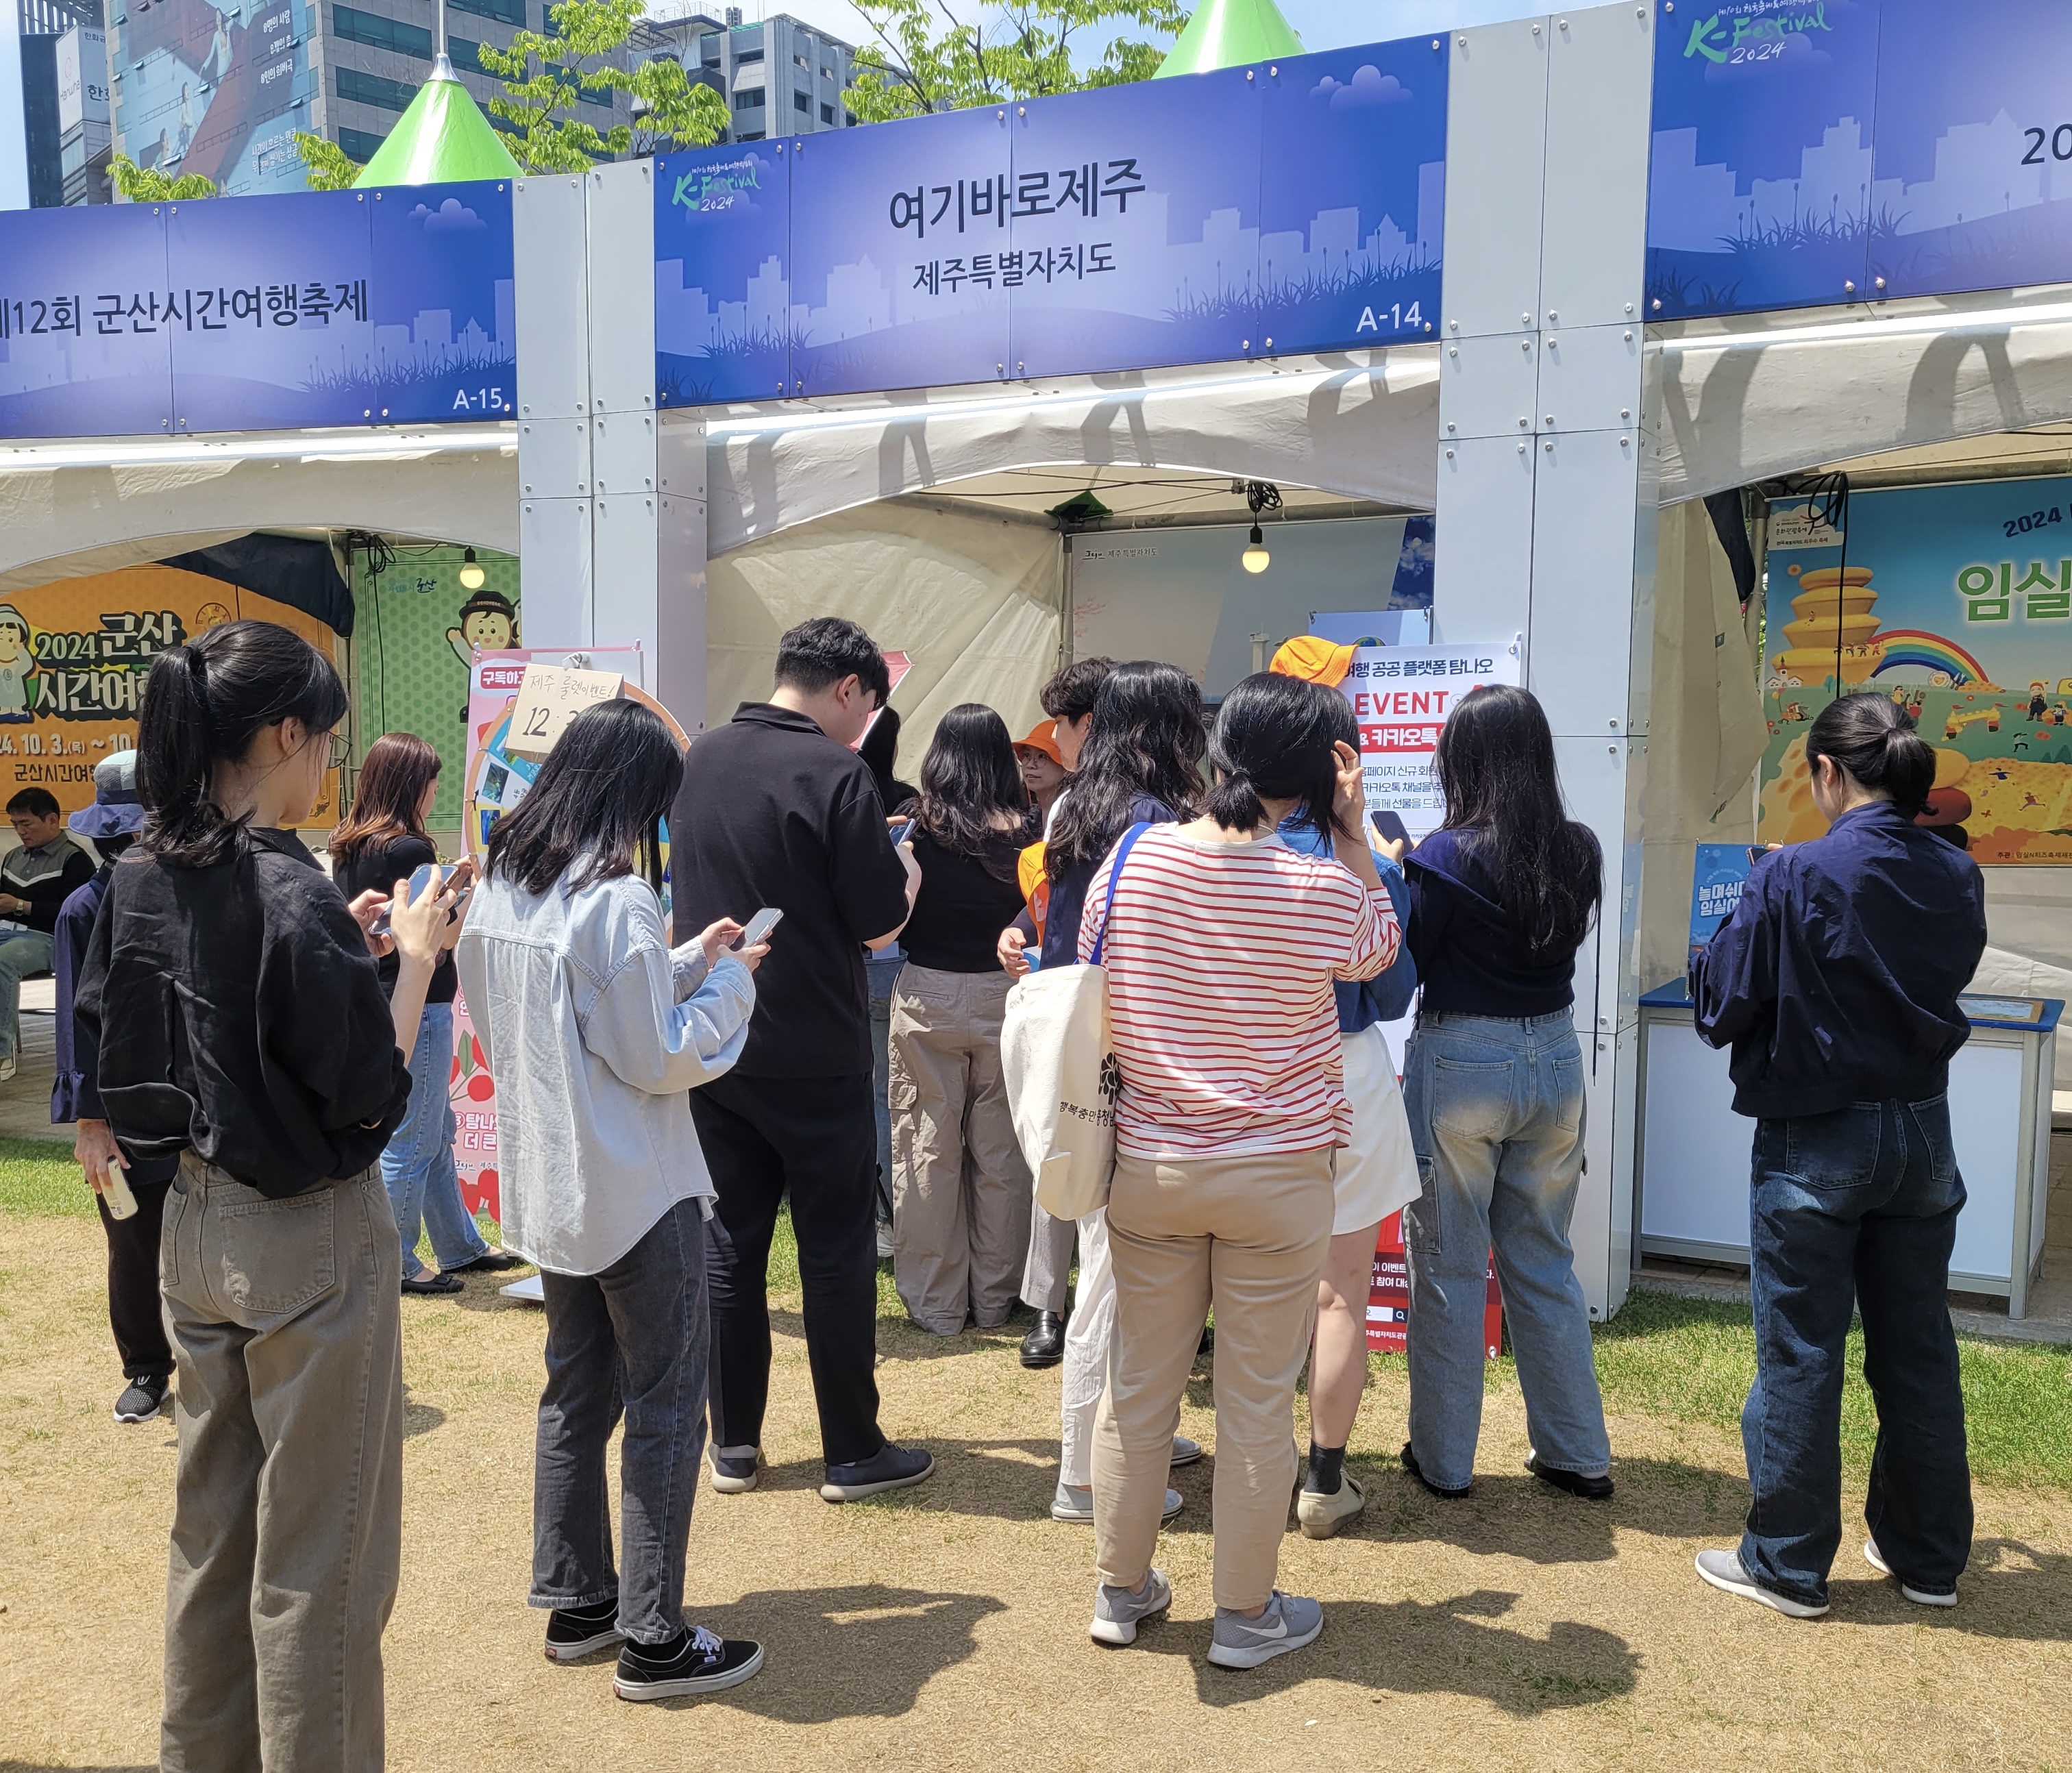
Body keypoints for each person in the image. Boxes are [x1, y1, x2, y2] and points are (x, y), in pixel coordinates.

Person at [75, 619, 454, 1772]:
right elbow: (369, 1097)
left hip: (188, 1220)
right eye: (319, 741)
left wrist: (347, 950)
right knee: (319, 1564)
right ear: (284, 733)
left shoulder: (138, 869)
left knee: (212, 1541)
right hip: (308, 1235)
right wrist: (420, 957)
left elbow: (147, 1031)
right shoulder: (287, 892)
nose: (324, 766)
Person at [1083, 671, 1400, 1668]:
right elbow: (1380, 952)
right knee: (1259, 1399)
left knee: (1141, 1388)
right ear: (1313, 779)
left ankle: (1121, 1592)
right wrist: (1351, 829)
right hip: (1278, 1172)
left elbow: (1092, 961)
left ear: (1217, 755)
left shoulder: (1133, 860)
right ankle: (1244, 1615)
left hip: (1153, 1166)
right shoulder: (1318, 885)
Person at [456, 697, 769, 1700]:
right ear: (636, 796)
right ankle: (656, 1635)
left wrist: (692, 960)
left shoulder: (507, 883)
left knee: (575, 1391)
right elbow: (655, 1052)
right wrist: (732, 989)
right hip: (635, 1187)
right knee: (669, 1404)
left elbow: (578, 1012)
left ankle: (581, 1598)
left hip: (550, 1182)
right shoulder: (617, 896)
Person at [1690, 692, 1986, 1618]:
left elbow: (1718, 1006)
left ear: (1826, 772)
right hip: (1923, 1130)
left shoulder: (1793, 876)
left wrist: (1752, 905)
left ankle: (1786, 1561)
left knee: (1802, 1351)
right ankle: (1929, 1558)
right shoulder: (1955, 874)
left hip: (1815, 1135)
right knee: (1919, 1350)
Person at [671, 617, 933, 1504]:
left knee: (731, 1247)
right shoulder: (836, 772)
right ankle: (852, 1450)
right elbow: (876, 919)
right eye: (866, 710)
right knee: (834, 1252)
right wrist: (907, 875)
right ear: (849, 691)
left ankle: (733, 1444)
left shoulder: (701, 757)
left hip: (716, 1040)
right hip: (815, 1046)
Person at [999, 660, 1209, 1526]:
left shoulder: (1081, 804)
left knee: (1111, 1263)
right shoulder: (1153, 820)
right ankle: (1086, 1473)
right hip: (1132, 1068)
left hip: (1085, 1060)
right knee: (1114, 1279)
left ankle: (1131, 1433)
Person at [1398, 683, 1612, 1503]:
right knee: (1545, 1259)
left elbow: (1410, 956)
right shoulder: (1579, 848)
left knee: (1450, 1264)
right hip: (1556, 1058)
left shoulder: (1444, 855)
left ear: (1464, 758)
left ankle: (1445, 1461)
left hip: (1462, 1060)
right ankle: (1577, 1452)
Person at [1270, 686, 1421, 1541]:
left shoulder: (1231, 855)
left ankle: (1259, 1468)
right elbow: (1393, 991)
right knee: (1341, 1295)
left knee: (1254, 1292)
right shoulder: (1361, 860)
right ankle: (1325, 1480)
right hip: (1352, 1077)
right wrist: (1363, 841)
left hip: (1253, 1082)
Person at [332, 732, 522, 1294]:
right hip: (425, 999)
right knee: (415, 1138)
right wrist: (467, 891)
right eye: (432, 780)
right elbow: (436, 939)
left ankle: (458, 1244)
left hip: (379, 997)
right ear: (413, 784)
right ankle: (394, 1257)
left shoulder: (351, 844)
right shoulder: (409, 849)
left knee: (436, 1129)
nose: (437, 789)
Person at [887, 704, 1039, 1333]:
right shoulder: (1030, 832)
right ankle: (997, 1299)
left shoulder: (917, 828)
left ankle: (937, 1305)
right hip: (1009, 995)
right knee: (1004, 1155)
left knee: (926, 1149)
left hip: (928, 997)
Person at [52, 751, 179, 1423]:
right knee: (132, 1241)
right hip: (125, 1113)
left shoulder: (193, 890)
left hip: (202, 1101)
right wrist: (90, 1122)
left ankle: (226, 1360)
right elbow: (76, 1024)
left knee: (215, 1238)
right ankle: (147, 1367)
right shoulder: (82, 907)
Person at [1007, 654, 1115, 1369]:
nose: (1056, 741)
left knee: (1082, 1145)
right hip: (1073, 990)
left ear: (1092, 724)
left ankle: (1089, 1310)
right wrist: (1021, 928)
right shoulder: (1071, 805)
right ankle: (1048, 1304)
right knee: (1061, 1145)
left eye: (1063, 725)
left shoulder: (1151, 801)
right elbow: (1056, 899)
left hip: (1109, 999)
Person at [858, 702, 915, 1259]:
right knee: (885, 1094)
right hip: (889, 964)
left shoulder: (836, 792)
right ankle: (889, 1213)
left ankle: (873, 1211)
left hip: (832, 966)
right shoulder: (903, 800)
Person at [0, 784, 96, 1082]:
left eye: (26, 823)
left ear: (52, 820)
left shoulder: (74, 860)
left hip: (46, 938)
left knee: (2, 961)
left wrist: (21, 906)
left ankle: (2, 1053)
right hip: (5, 930)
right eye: (15, 824)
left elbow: (73, 914)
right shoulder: (13, 856)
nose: (20, 831)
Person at [1013, 719, 1069, 822]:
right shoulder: (1018, 812)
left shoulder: (1077, 815)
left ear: (1066, 767)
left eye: (1042, 756)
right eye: (1027, 755)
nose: (1031, 765)